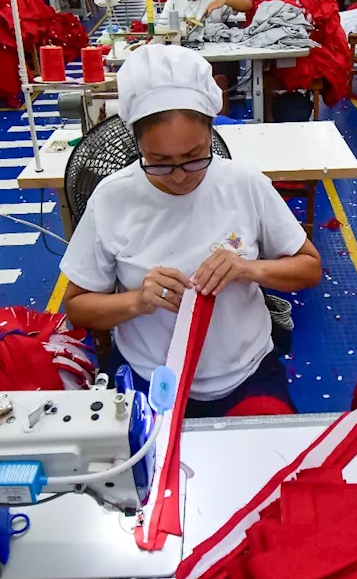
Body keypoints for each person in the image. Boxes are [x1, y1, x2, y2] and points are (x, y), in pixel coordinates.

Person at [59, 44, 321, 417]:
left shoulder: (244, 184)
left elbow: (309, 268)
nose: (180, 176)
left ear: (212, 128)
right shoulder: (113, 198)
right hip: (151, 377)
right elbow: (78, 308)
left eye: (195, 157)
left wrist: (250, 269)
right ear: (136, 143)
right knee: (145, 470)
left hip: (245, 374)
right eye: (160, 162)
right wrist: (137, 301)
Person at [161, 0, 254, 107]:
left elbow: (247, 5)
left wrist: (225, 0)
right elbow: (163, 29)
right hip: (186, 59)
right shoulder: (174, 0)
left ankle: (221, 124)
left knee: (219, 79)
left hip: (216, 60)